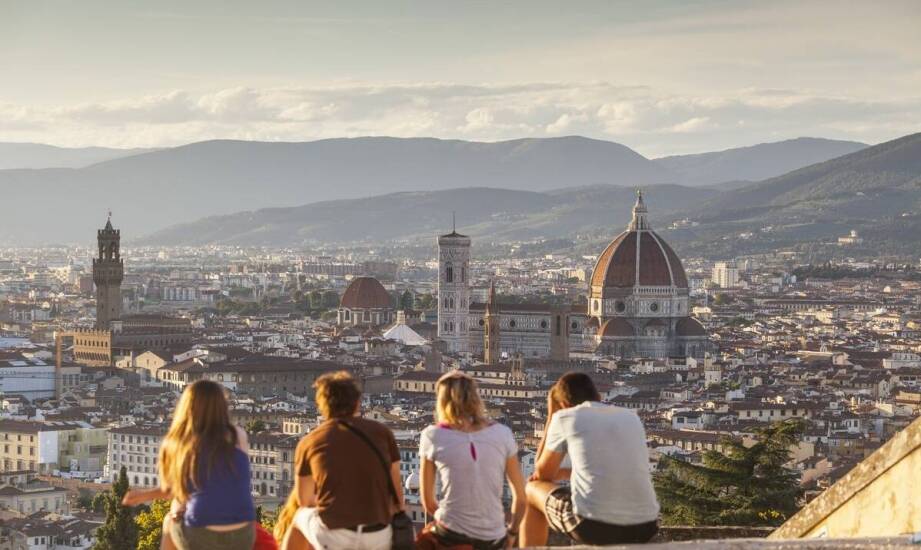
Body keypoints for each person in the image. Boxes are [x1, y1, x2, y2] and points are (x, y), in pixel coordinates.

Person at [519, 372, 659, 547]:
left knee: (531, 489)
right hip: (645, 525)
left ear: (563, 404)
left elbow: (540, 474)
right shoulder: (631, 417)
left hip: (592, 525)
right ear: (598, 397)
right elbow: (607, 470)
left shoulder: (565, 417)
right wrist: (564, 473)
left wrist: (551, 416)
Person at [122, 380, 257, 550]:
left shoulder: (178, 442)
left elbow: (172, 491)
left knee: (170, 519)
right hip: (243, 533)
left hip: (201, 532)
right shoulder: (238, 435)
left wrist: (143, 495)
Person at [282, 371, 403, 550]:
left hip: (334, 536)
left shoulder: (310, 441)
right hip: (379, 535)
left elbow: (305, 500)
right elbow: (398, 497)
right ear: (357, 403)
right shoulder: (382, 433)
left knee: (300, 517)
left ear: (322, 404)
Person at [417, 371, 526, 549]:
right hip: (494, 538)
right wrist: (512, 533)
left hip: (451, 536)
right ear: (476, 398)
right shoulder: (502, 433)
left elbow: (428, 502)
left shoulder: (432, 435)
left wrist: (454, 520)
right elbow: (521, 499)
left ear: (441, 401)